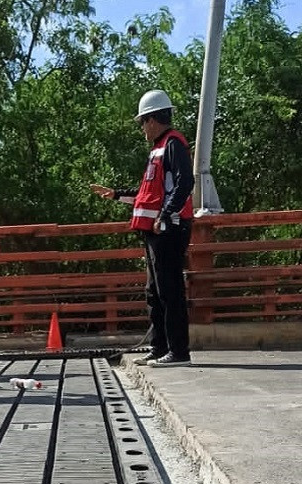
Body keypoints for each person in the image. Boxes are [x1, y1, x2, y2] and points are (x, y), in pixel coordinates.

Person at [91, 89, 194, 367]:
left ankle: (178, 351)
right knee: (154, 292)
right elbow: (147, 193)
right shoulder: (158, 149)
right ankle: (160, 346)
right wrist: (116, 194)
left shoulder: (173, 144)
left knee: (169, 290)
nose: (142, 130)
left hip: (168, 229)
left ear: (151, 120)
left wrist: (165, 215)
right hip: (154, 231)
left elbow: (185, 183)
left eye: (141, 123)